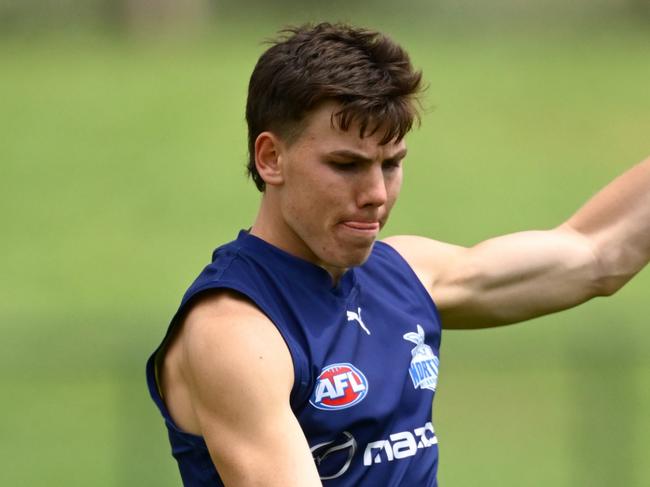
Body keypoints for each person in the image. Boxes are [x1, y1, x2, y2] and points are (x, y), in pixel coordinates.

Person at [146, 22, 649, 487]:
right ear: (271, 158)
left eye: (390, 165)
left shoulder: (404, 275)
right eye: (346, 165)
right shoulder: (236, 330)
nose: (376, 194)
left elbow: (597, 255)